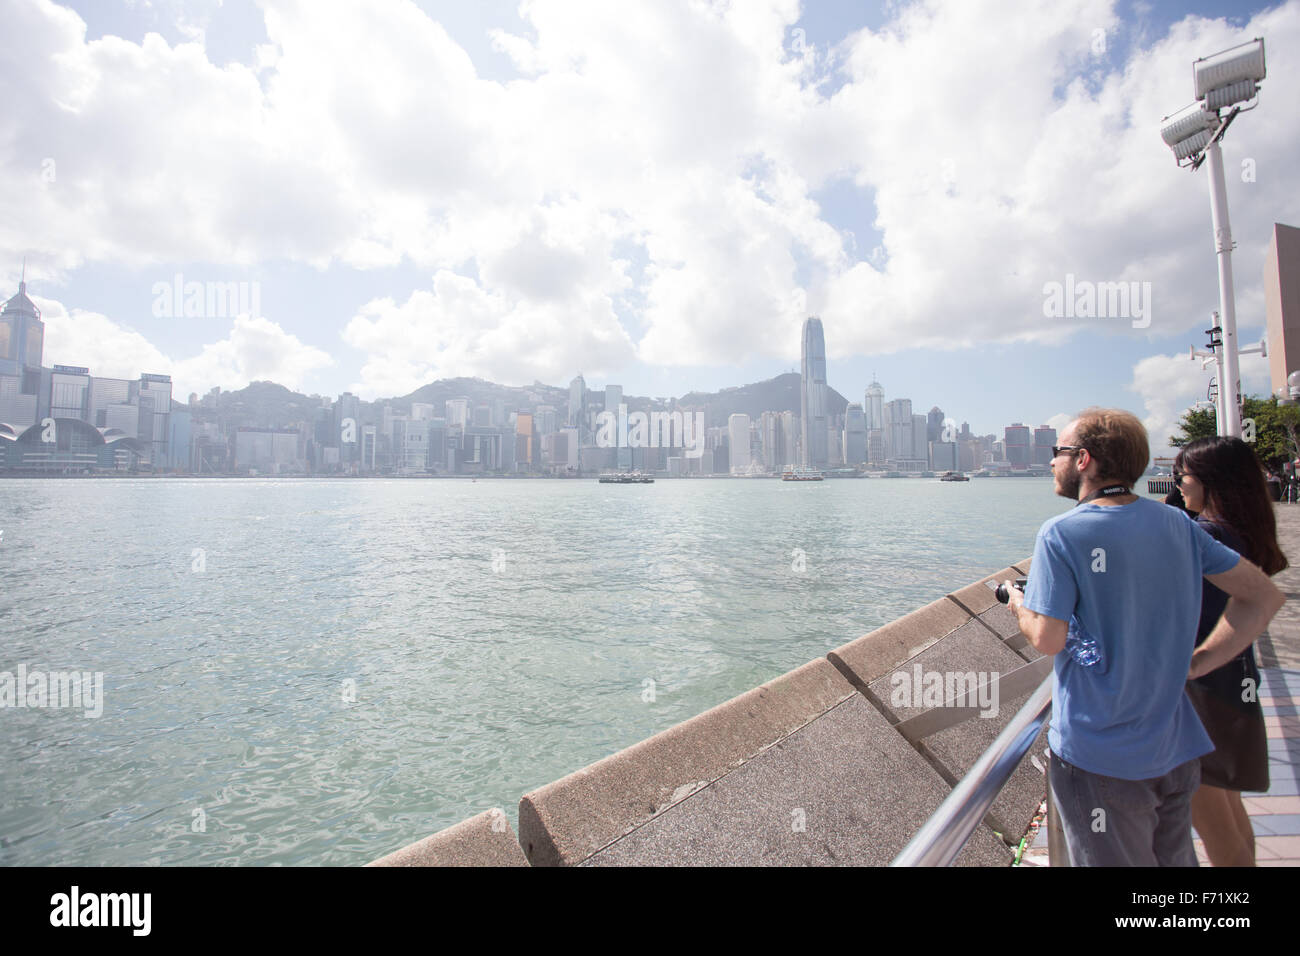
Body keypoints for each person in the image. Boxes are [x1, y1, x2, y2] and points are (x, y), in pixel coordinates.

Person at [1003, 408, 1284, 866]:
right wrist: (1197, 662)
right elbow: (1262, 598)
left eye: (1059, 451)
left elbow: (1048, 639)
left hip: (1101, 756)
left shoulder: (1061, 533)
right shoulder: (1177, 524)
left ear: (1083, 460)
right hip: (1174, 748)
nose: (1052, 461)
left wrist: (1020, 605)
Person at [1174, 437, 1287, 866]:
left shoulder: (1205, 537)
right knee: (1231, 813)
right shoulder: (1237, 533)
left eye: (1183, 476)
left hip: (1202, 690)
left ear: (1211, 482)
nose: (1178, 484)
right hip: (1233, 682)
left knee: (1213, 824)